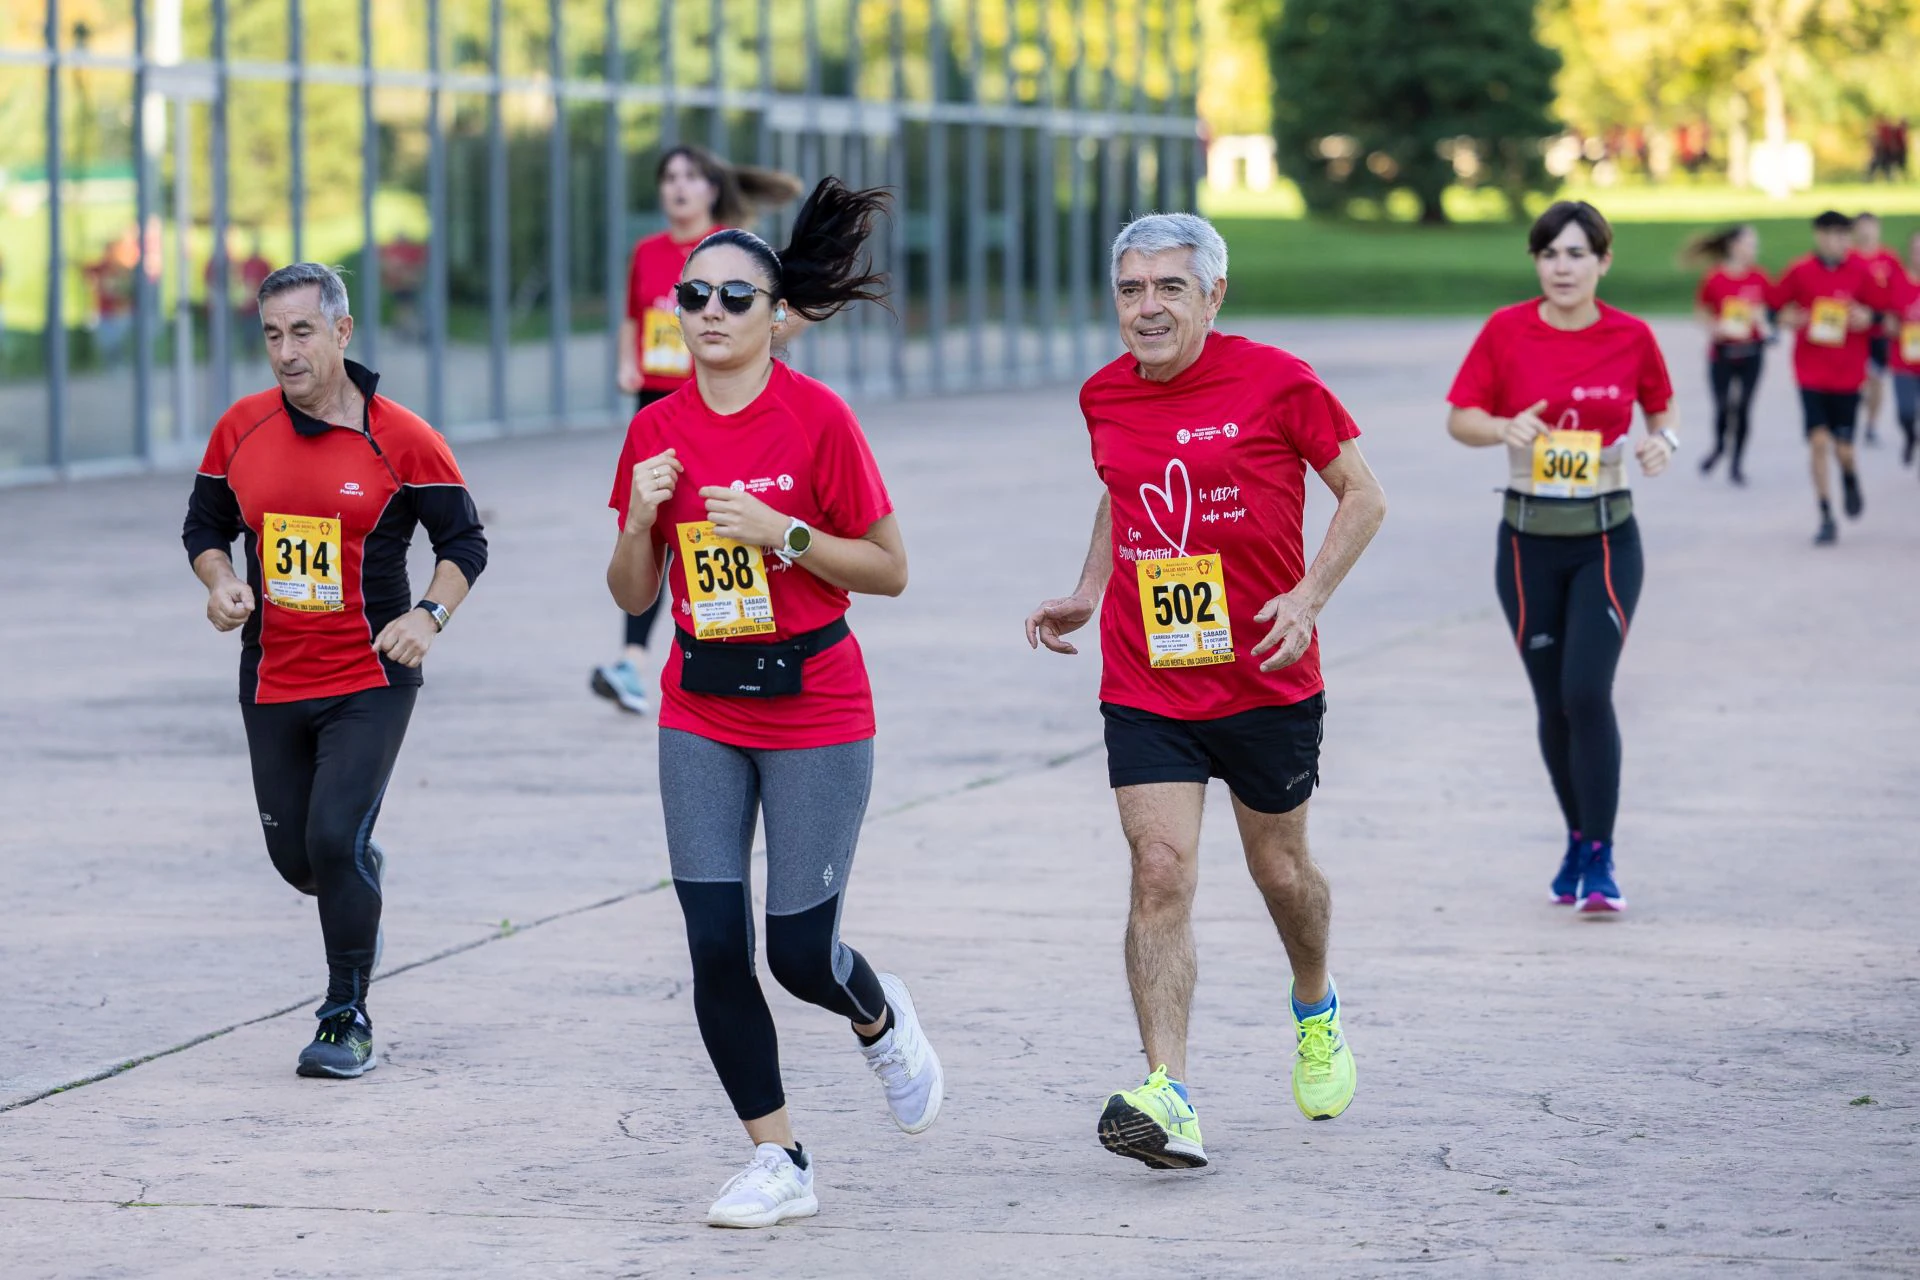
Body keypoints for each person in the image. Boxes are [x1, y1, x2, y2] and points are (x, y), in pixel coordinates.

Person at [605, 178, 942, 1228]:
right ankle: (780, 1155)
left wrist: (782, 534)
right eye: (693, 297)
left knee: (799, 953)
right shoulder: (655, 431)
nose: (707, 312)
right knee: (713, 939)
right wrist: (640, 519)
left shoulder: (819, 420)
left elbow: (889, 569)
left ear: (775, 315)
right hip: (700, 699)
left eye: (732, 298)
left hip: (816, 701)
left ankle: (880, 1018)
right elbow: (630, 594)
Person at [1025, 213, 1388, 1170]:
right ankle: (1170, 1094)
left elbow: (1364, 494)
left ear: (1213, 295)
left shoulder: (1279, 381)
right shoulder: (1102, 394)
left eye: (1169, 289)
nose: (1147, 308)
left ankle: (1314, 1001)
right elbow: (1123, 486)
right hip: (1146, 676)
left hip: (1265, 676)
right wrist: (1091, 589)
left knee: (1281, 873)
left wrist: (1308, 597)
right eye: (1132, 290)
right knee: (1159, 869)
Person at [180, 263, 487, 1078]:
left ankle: (345, 1015)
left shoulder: (404, 437)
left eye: (302, 331)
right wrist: (221, 583)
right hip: (272, 675)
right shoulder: (239, 429)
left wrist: (429, 616)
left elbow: (464, 542)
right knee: (301, 863)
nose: (286, 351)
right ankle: (356, 872)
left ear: (343, 334)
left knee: (332, 834)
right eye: (272, 334)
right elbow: (204, 527)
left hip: (370, 677)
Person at [1445, 201, 1678, 917]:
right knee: (1552, 701)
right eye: (1550, 254)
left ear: (1603, 261)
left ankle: (1601, 859)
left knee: (1586, 691)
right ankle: (1577, 836)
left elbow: (1662, 413)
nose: (1563, 267)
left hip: (1606, 539)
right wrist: (1499, 426)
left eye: (1577, 253)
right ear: (1537, 263)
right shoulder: (1504, 331)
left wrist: (1662, 443)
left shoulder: (1632, 337)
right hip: (1525, 545)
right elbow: (1460, 418)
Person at [593, 145, 803, 716]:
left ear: (713, 189)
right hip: (657, 403)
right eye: (668, 178)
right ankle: (634, 661)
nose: (678, 188)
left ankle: (745, 644)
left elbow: (780, 318)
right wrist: (625, 360)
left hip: (722, 406)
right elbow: (634, 315)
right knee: (650, 523)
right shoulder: (647, 252)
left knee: (717, 521)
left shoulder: (733, 252)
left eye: (690, 177)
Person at [1768, 211, 1894, 544]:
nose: (1841, 242)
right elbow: (1775, 308)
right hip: (1810, 372)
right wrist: (1786, 318)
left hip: (1849, 375)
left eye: (1845, 236)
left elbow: (1883, 314)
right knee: (1818, 442)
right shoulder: (1800, 271)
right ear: (1820, 236)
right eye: (1834, 235)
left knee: (1845, 450)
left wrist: (1867, 317)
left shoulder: (1862, 272)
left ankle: (1850, 477)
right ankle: (1825, 513)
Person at [1689, 225, 1769, 485]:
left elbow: (1775, 308)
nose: (1755, 249)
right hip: (1722, 353)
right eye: (1750, 243)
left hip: (1751, 352)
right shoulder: (1715, 278)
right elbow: (1701, 311)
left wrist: (1764, 318)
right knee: (1723, 407)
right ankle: (1720, 447)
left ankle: (1736, 464)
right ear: (1735, 246)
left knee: (1744, 407)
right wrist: (1714, 327)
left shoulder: (1759, 277)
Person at [1852, 212, 1901, 447]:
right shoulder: (1848, 258)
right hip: (1852, 328)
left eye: (1871, 227)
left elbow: (1899, 290)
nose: (1866, 232)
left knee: (1876, 378)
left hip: (1879, 328)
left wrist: (1894, 318)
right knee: (1858, 377)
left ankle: (1871, 423)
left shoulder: (1888, 259)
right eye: (1862, 227)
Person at [1881, 229, 1920, 467]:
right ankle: (1910, 436)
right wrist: (1893, 326)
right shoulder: (1896, 281)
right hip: (1904, 360)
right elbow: (1887, 318)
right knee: (1905, 413)